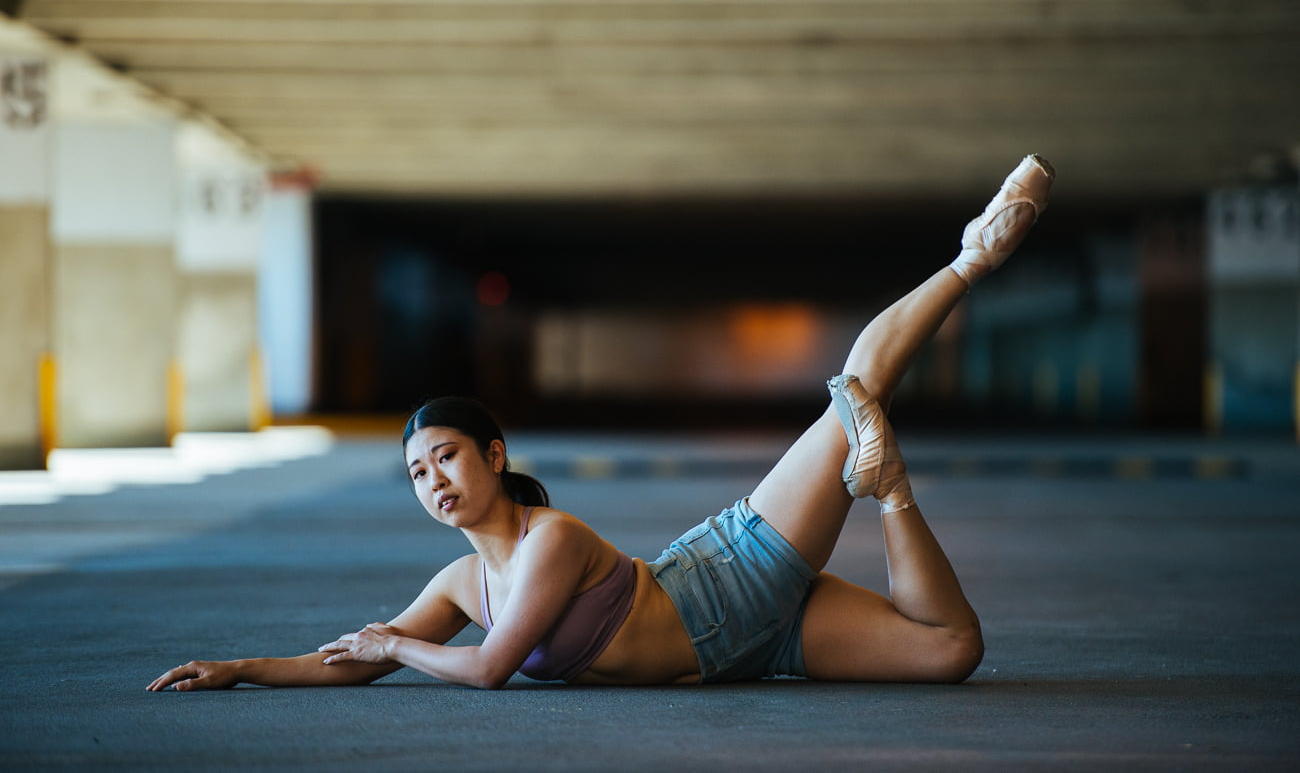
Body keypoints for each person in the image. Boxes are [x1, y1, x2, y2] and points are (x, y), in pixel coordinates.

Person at [148, 154, 1054, 692]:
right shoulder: (465, 581)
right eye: (420, 474)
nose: (435, 482)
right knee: (951, 653)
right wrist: (245, 669)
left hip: (734, 576)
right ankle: (888, 487)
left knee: (853, 388)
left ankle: (974, 255)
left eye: (449, 458)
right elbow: (355, 660)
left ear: (494, 458)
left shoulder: (551, 543)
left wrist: (399, 643)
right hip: (748, 655)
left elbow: (490, 670)